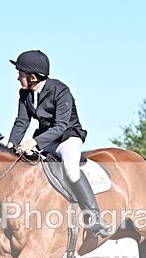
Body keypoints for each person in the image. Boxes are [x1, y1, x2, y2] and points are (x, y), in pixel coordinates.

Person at [7, 50, 110, 237]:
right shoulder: (24, 94)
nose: (18, 78)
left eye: (20, 74)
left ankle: (94, 215)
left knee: (71, 169)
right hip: (46, 138)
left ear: (32, 77)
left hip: (68, 136)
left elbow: (62, 125)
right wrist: (11, 144)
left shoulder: (61, 91)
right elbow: (22, 122)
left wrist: (34, 142)